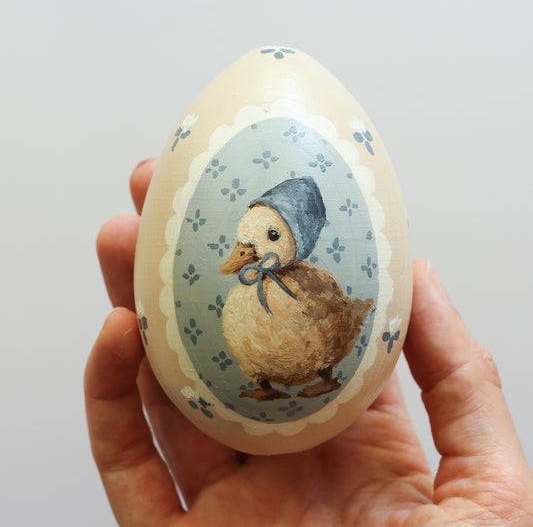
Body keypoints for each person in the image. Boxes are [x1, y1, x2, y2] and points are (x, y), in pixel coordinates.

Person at [85, 159, 533, 526]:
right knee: (243, 326)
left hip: (331, 369)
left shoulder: (312, 287)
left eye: (269, 237)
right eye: (246, 240)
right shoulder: (246, 287)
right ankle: (263, 382)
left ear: (295, 240)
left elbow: (340, 316)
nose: (248, 250)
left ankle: (325, 373)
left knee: (316, 332)